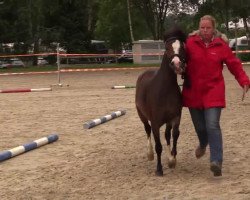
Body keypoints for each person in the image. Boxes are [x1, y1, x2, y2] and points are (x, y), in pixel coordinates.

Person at [182, 15, 250, 176]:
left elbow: (234, 64)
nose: (205, 30)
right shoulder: (190, 43)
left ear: (213, 29)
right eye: (202, 27)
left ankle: (216, 161)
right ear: (199, 27)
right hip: (193, 93)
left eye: (208, 28)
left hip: (214, 91)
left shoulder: (221, 45)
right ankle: (203, 143)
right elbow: (179, 59)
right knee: (200, 127)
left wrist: (244, 81)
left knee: (212, 125)